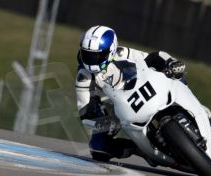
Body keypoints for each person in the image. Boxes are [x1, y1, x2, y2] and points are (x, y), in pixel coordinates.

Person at [75, 25, 188, 165]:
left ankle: (187, 106)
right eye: (88, 54)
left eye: (97, 55)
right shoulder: (84, 76)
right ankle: (140, 149)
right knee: (98, 149)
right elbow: (85, 112)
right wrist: (104, 123)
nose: (92, 60)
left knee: (175, 74)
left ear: (110, 50)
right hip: (118, 110)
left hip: (144, 89)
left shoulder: (122, 53)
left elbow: (153, 57)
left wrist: (170, 63)